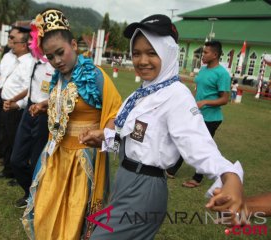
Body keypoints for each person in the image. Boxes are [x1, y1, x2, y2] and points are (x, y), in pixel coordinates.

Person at [77, 14, 246, 240]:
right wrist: (103, 137)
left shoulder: (177, 96)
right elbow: (137, 139)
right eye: (136, 53)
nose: (142, 60)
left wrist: (230, 175)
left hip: (144, 189)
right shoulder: (144, 92)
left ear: (168, 53)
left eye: (151, 52)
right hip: (125, 180)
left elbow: (199, 145)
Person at [22, 9, 122, 240]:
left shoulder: (95, 75)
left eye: (60, 53)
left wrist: (103, 132)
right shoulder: (59, 76)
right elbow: (69, 101)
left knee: (74, 215)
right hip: (56, 155)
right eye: (50, 57)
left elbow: (116, 111)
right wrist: (45, 105)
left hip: (81, 159)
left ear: (74, 45)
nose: (56, 61)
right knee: (46, 208)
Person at [166, 40, 231, 188]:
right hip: (196, 114)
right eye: (203, 52)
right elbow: (198, 89)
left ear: (215, 55)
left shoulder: (222, 74)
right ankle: (171, 170)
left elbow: (225, 99)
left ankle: (197, 178)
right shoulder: (203, 70)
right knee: (186, 140)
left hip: (211, 118)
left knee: (201, 147)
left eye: (206, 52)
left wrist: (205, 102)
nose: (203, 55)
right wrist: (191, 101)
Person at [10, 21, 54, 208]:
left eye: (33, 38)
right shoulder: (32, 60)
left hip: (45, 115)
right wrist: (17, 103)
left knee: (38, 161)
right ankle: (30, 191)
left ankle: (36, 199)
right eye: (30, 38)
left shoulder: (56, 64)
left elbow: (63, 94)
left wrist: (44, 106)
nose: (30, 42)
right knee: (16, 160)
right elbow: (29, 88)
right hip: (29, 111)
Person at [0, 28, 33, 180]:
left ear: (24, 45)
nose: (11, 44)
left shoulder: (29, 63)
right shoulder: (15, 59)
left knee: (16, 141)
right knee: (7, 138)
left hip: (16, 109)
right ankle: (8, 169)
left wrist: (17, 104)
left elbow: (30, 89)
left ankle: (17, 173)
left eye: (15, 42)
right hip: (6, 104)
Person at [0, 27, 18, 160]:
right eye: (9, 37)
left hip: (14, 96)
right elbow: (1, 74)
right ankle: (1, 151)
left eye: (12, 37)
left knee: (10, 127)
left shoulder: (27, 58)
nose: (10, 39)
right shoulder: (6, 55)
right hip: (1, 92)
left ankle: (9, 156)